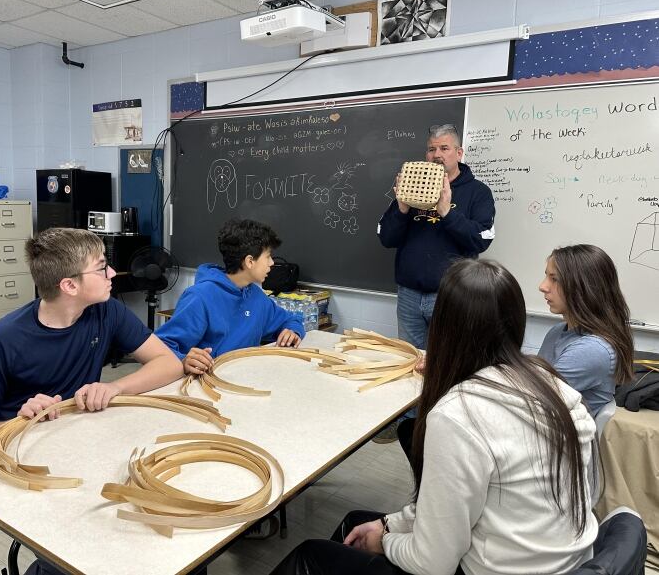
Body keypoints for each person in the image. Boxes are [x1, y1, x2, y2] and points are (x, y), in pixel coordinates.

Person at [270, 259, 599, 575]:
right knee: (358, 521)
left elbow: (433, 565)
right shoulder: (549, 382)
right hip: (571, 562)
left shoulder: (458, 415)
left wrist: (384, 542)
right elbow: (591, 490)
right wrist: (389, 525)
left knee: (308, 556)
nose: (545, 285)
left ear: (444, 328)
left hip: (494, 567)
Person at [0, 227, 184, 445]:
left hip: (71, 437)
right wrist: (22, 423)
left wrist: (115, 387)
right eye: (101, 267)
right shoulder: (2, 341)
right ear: (70, 286)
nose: (112, 273)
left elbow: (169, 364)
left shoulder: (106, 311)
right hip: (19, 451)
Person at [377, 124, 496, 350]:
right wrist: (402, 208)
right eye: (432, 149)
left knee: (448, 362)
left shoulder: (478, 192)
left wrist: (447, 213)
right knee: (410, 363)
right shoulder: (413, 186)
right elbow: (386, 238)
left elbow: (482, 239)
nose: (437, 155)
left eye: (444, 148)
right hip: (409, 296)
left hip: (452, 297)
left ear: (458, 153)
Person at [156, 218, 305, 376]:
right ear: (249, 261)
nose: (272, 263)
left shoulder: (256, 297)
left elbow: (290, 320)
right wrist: (183, 360)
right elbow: (160, 347)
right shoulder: (200, 297)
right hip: (206, 387)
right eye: (268, 256)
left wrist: (293, 332)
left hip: (244, 381)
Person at [538, 244, 634, 417]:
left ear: (584, 287)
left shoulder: (593, 349)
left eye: (555, 279)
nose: (543, 286)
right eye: (546, 276)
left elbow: (534, 398)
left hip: (557, 439)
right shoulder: (557, 331)